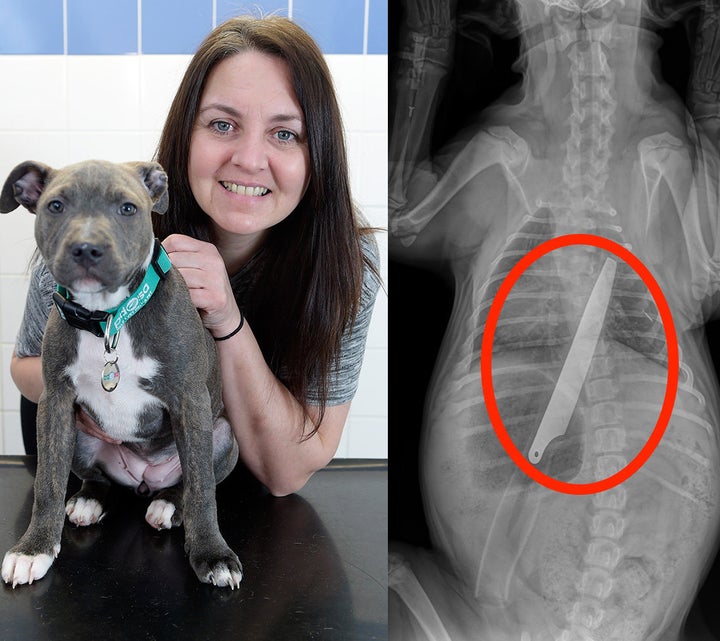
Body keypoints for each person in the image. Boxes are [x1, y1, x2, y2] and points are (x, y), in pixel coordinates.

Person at [389, 0, 720, 639]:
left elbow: (402, 210)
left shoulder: (501, 161)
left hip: (518, 580)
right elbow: (708, 266)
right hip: (644, 507)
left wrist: (426, 48)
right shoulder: (662, 160)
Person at [10, 14, 382, 497]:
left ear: (320, 153)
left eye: (285, 134)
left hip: (238, 483)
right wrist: (114, 407)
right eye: (222, 124)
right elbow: (25, 364)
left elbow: (288, 472)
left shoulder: (342, 254)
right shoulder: (110, 223)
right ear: (186, 132)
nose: (249, 159)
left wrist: (225, 317)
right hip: (98, 465)